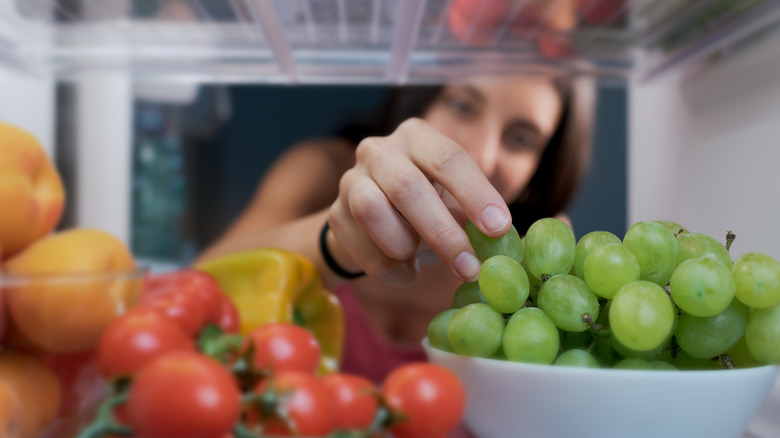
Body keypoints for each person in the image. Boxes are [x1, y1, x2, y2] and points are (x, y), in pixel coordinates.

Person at [196, 73, 595, 385]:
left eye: (521, 139)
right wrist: (339, 241)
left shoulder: (535, 271)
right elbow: (190, 299)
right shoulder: (321, 170)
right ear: (418, 100)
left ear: (541, 169)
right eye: (462, 105)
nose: (481, 154)